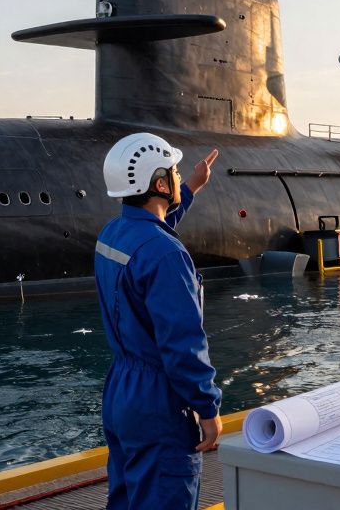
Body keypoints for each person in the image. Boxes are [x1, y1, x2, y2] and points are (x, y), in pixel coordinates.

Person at [95, 132, 223, 509]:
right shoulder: (167, 256)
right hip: (159, 404)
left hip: (122, 394)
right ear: (160, 183)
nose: (181, 178)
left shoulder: (114, 235)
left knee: (126, 499)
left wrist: (194, 187)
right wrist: (208, 407)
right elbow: (183, 344)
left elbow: (152, 231)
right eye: (176, 173)